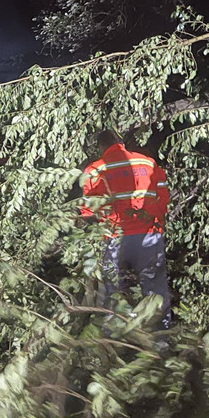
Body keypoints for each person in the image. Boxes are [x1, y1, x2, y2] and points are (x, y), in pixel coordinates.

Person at [79, 129, 171, 328]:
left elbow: (88, 212)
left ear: (101, 147)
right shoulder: (146, 162)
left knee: (111, 291)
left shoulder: (95, 170)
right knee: (155, 290)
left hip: (114, 238)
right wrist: (153, 218)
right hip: (148, 235)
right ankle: (161, 338)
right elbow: (163, 196)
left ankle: (112, 338)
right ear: (120, 142)